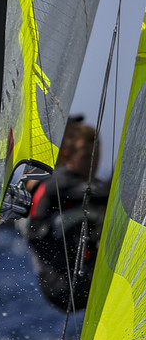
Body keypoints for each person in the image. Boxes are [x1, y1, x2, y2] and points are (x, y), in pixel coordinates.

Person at [24, 116, 107, 313]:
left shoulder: (80, 183)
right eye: (87, 156)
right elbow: (104, 194)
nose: (93, 163)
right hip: (65, 286)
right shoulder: (58, 182)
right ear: (68, 155)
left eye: (97, 156)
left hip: (84, 272)